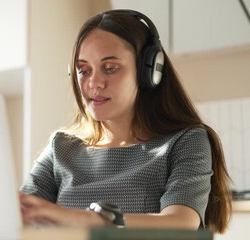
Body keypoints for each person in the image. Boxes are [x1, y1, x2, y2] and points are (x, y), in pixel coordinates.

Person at [19, 9, 232, 234]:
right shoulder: (60, 147)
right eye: (83, 70)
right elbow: (21, 213)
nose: (94, 83)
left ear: (149, 72)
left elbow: (181, 222)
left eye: (110, 68)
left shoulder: (185, 141)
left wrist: (93, 221)